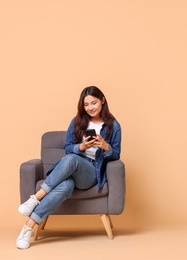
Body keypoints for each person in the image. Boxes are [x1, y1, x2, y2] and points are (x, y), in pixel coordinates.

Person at [16, 86, 122, 249]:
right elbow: (68, 147)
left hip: (92, 173)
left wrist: (106, 147)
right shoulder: (78, 121)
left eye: (94, 103)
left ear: (102, 101)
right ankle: (28, 227)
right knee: (66, 185)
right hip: (73, 169)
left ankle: (35, 198)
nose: (90, 108)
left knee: (71, 159)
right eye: (86, 105)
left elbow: (116, 155)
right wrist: (82, 147)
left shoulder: (113, 126)